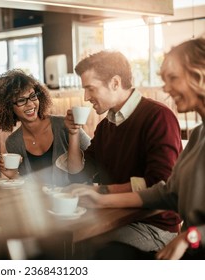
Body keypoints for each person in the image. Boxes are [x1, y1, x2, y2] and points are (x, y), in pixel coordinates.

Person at [73, 38, 205, 260]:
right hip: (190, 248)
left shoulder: (158, 117)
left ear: (199, 76)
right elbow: (168, 193)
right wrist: (101, 197)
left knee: (95, 252)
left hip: (178, 238)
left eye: (173, 78)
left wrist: (192, 235)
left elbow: (158, 182)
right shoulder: (198, 136)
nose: (166, 88)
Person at [59, 50, 182, 253]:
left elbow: (160, 183)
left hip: (154, 225)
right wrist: (73, 133)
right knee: (67, 243)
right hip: (111, 215)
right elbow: (79, 172)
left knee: (89, 248)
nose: (85, 97)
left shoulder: (158, 117)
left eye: (90, 88)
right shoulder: (106, 126)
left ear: (115, 83)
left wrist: (101, 191)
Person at [0, 69, 90, 187]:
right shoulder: (13, 142)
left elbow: (96, 156)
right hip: (43, 203)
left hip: (76, 198)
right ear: (8, 107)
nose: (30, 104)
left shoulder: (65, 125)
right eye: (21, 100)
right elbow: (31, 188)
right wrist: (14, 176)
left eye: (32, 96)